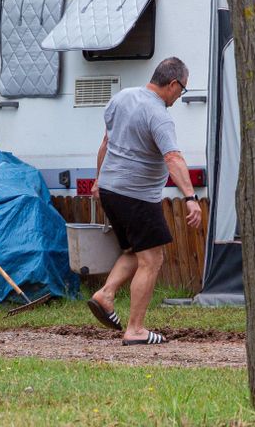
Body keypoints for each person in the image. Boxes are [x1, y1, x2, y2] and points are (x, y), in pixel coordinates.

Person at [88, 57, 202, 346]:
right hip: (136, 194)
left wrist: (99, 180)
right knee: (153, 259)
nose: (180, 96)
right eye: (182, 90)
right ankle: (135, 329)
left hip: (112, 189)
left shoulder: (122, 98)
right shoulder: (159, 114)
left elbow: (105, 142)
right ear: (173, 84)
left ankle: (106, 294)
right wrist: (191, 198)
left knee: (134, 250)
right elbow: (173, 158)